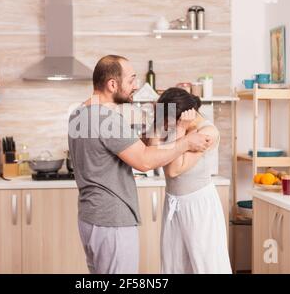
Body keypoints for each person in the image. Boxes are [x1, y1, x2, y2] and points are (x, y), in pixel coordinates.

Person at [68, 55, 212, 274]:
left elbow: (128, 144)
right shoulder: (106, 119)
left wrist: (158, 123)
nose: (136, 86)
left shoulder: (80, 113)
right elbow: (144, 160)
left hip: (90, 218)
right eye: (131, 80)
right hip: (112, 220)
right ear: (112, 84)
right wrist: (185, 142)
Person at [153, 87, 232, 274]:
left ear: (182, 116)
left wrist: (179, 129)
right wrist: (163, 124)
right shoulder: (176, 130)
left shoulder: (207, 133)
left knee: (208, 267)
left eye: (167, 121)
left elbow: (173, 169)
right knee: (174, 266)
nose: (164, 126)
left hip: (199, 206)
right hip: (174, 204)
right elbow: (154, 150)